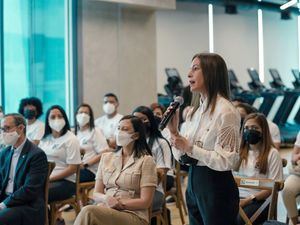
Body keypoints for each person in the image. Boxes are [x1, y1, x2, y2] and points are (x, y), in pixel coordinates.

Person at [167, 53, 240, 225]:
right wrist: (174, 133)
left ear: (211, 73)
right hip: (194, 181)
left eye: (195, 68)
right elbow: (182, 157)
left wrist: (191, 148)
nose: (189, 74)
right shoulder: (195, 111)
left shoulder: (226, 111)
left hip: (216, 185)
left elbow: (227, 161)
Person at [74, 115, 157, 225]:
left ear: (136, 135)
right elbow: (96, 193)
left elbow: (145, 202)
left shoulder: (146, 161)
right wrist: (106, 199)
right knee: (89, 213)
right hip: (106, 208)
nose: (119, 132)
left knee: (88, 212)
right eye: (118, 128)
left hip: (133, 215)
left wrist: (118, 204)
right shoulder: (106, 158)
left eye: (125, 129)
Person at [235, 113, 283, 225]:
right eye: (246, 128)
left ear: (263, 131)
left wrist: (248, 200)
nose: (250, 131)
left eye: (254, 128)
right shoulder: (238, 152)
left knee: (239, 220)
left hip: (260, 201)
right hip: (236, 197)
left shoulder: (272, 154)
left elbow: (273, 187)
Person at [0, 113, 48, 225]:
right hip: (6, 199)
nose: (3, 133)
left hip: (26, 205)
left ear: (21, 128)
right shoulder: (5, 153)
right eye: (2, 129)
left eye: (7, 128)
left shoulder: (36, 155)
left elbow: (30, 190)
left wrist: (3, 204)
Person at [39, 105, 81, 224]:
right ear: (47, 120)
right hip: (47, 179)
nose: (56, 119)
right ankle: (56, 219)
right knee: (28, 191)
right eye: (52, 116)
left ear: (65, 119)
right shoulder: (45, 138)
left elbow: (73, 168)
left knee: (37, 194)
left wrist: (49, 178)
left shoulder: (71, 139)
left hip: (66, 182)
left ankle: (53, 220)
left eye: (60, 116)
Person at [133, 106, 172, 212]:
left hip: (153, 190)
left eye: (143, 119)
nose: (139, 123)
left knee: (127, 207)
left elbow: (162, 174)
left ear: (151, 121)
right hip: (130, 189)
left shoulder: (160, 143)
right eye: (136, 120)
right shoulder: (131, 143)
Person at [74, 103, 109, 182]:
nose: (83, 115)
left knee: (69, 179)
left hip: (90, 170)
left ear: (90, 117)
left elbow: (104, 152)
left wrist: (85, 165)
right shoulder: (73, 133)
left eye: (86, 113)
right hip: (74, 168)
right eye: (80, 112)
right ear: (76, 115)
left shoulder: (95, 131)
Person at [282, 131, 300, 225]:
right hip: (298, 174)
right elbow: (293, 158)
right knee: (287, 189)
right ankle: (295, 221)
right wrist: (296, 158)